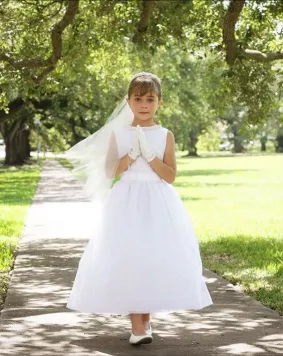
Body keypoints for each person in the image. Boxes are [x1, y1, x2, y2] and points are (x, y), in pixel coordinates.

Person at [66, 72, 213, 346]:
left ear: (159, 102)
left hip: (158, 201)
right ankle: (138, 327)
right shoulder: (118, 133)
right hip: (126, 200)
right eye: (138, 99)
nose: (144, 104)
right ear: (128, 101)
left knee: (151, 256)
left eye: (150, 99)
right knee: (130, 256)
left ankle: (144, 320)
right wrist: (130, 155)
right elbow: (110, 172)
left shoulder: (165, 135)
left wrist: (150, 156)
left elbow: (170, 176)